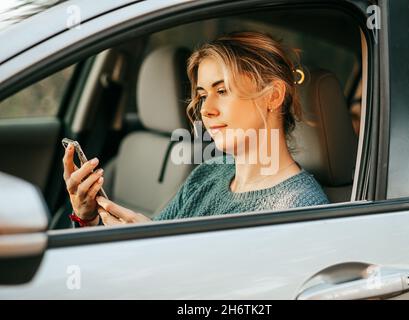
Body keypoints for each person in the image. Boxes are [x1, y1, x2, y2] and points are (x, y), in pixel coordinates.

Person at [62, 31, 329, 227]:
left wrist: (154, 248)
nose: (205, 109)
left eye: (222, 91)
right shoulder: (206, 175)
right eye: (202, 95)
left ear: (273, 96)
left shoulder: (301, 207)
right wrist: (88, 219)